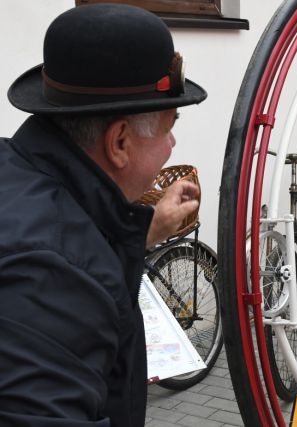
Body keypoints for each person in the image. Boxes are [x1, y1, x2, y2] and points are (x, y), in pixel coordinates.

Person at [0, 4, 206, 426]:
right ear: (119, 142)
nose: (172, 143)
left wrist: (143, 230)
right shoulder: (58, 279)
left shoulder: (18, 170)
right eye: (169, 126)